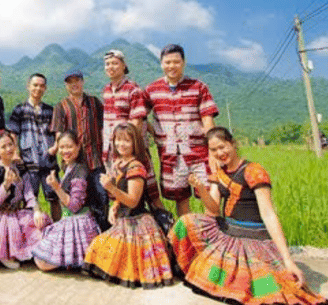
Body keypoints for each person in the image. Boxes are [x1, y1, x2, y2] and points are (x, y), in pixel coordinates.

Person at [169, 127, 328, 305]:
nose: (220, 153)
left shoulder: (254, 171)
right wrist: (200, 188)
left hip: (255, 240)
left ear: (233, 143)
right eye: (214, 150)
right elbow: (213, 209)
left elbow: (268, 214)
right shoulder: (219, 174)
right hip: (230, 234)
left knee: (261, 288)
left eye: (222, 147)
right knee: (187, 227)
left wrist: (288, 260)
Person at [83, 124, 174, 288]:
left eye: (126, 141)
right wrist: (115, 205)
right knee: (96, 248)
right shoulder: (121, 163)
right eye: (118, 140)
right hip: (124, 219)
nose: (121, 145)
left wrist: (110, 188)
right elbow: (122, 192)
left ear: (135, 143)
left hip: (137, 221)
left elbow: (133, 200)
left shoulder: (136, 167)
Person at [144, 44, 218, 217]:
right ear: (161, 64)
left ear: (183, 63)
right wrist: (155, 132)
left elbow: (208, 120)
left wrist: (213, 150)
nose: (172, 66)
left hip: (199, 153)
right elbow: (140, 115)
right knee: (181, 199)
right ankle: (186, 240)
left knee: (209, 194)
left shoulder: (198, 87)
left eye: (176, 62)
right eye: (167, 62)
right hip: (171, 155)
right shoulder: (151, 90)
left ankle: (211, 236)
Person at [102, 49, 166, 214]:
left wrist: (128, 155)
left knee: (150, 194)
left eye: (115, 63)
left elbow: (136, 124)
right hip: (113, 151)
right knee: (118, 191)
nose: (111, 67)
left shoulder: (133, 90)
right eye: (107, 64)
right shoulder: (106, 90)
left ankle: (167, 228)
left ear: (124, 66)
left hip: (132, 152)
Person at [32, 130, 101, 271]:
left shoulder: (80, 170)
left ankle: (75, 259)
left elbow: (74, 206)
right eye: (61, 147)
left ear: (78, 146)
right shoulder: (69, 166)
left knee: (43, 263)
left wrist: (57, 187)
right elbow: (44, 160)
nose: (65, 151)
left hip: (79, 222)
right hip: (69, 220)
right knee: (40, 256)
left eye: (69, 147)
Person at [50, 68, 108, 230]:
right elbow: (59, 134)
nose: (74, 84)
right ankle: (83, 239)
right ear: (66, 85)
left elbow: (103, 128)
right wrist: (58, 150)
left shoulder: (94, 102)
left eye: (77, 80)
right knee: (78, 202)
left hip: (96, 160)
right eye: (70, 81)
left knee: (102, 198)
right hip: (74, 164)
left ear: (82, 82)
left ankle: (104, 236)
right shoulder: (61, 106)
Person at [0, 130, 49, 269]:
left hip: (18, 211)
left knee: (41, 222)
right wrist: (5, 184)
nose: (8, 149)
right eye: (3, 146)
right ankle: (5, 255)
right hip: (1, 214)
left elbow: (29, 194)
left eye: (10, 144)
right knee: (10, 225)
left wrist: (36, 210)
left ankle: (33, 254)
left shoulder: (19, 166)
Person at [7, 73, 59, 221]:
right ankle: (29, 229)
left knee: (54, 197)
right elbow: (13, 132)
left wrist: (55, 146)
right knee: (30, 198)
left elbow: (57, 131)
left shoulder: (50, 110)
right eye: (35, 85)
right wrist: (16, 153)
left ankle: (57, 228)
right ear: (28, 86)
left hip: (48, 159)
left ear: (45, 88)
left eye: (42, 86)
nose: (38, 88)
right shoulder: (20, 109)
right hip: (28, 160)